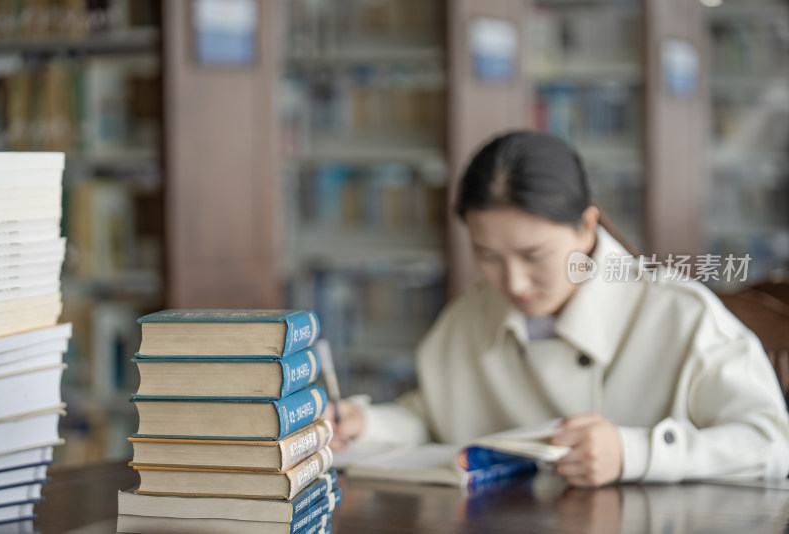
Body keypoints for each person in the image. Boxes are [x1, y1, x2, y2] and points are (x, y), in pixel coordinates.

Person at [324, 130, 789, 487]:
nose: (515, 283)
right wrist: (366, 424)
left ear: (586, 227)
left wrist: (636, 453)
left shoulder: (677, 312)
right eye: (488, 256)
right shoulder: (468, 318)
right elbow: (432, 417)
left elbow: (771, 442)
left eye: (534, 256)